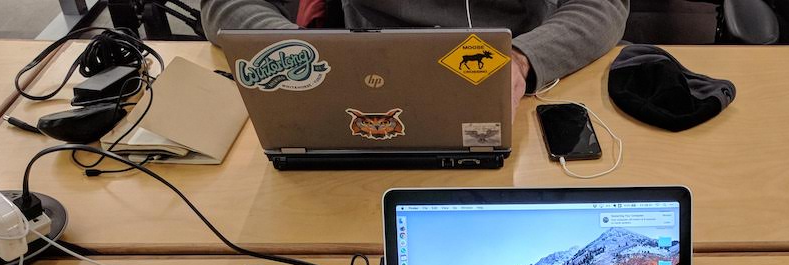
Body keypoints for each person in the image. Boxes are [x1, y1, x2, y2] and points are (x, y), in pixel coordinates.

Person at [202, 0, 629, 104]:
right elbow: (224, 6)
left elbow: (605, 5)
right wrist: (304, 52)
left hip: (520, 87)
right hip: (367, 85)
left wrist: (522, 59)